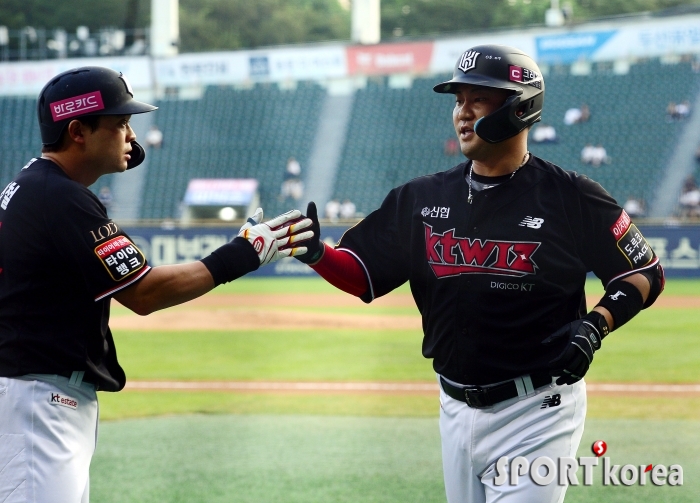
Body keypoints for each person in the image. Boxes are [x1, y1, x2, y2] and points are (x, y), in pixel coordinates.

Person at [293, 45, 664, 503]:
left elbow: (644, 271)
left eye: (478, 99)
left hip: (537, 410)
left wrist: (596, 325)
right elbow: (363, 274)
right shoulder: (421, 197)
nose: (462, 113)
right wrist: (316, 253)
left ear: (519, 106)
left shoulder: (571, 196)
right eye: (457, 100)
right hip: (454, 407)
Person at [0, 66, 313, 503]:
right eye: (120, 123)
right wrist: (244, 252)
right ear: (78, 131)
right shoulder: (60, 197)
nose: (131, 135)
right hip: (37, 400)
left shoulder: (38, 186)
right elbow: (144, 293)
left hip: (36, 395)